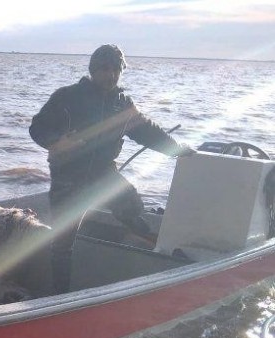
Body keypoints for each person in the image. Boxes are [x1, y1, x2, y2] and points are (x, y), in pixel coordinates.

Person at [29, 44, 195, 294]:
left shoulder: (122, 104)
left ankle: (150, 244)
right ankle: (58, 296)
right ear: (93, 70)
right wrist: (56, 141)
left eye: (117, 69)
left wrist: (176, 150)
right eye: (105, 69)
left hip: (104, 174)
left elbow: (147, 131)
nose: (111, 75)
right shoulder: (67, 96)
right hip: (68, 178)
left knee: (132, 204)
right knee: (63, 242)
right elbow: (37, 127)